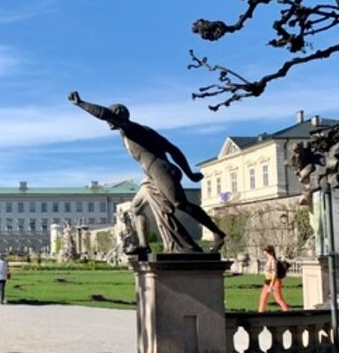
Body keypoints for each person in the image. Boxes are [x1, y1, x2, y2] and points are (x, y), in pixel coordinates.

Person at [68, 91, 226, 254]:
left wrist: (81, 104)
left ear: (119, 116)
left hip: (160, 169)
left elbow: (104, 114)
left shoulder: (132, 129)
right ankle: (144, 246)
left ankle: (217, 233)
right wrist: (189, 174)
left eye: (111, 117)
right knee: (136, 208)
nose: (108, 122)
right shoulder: (135, 132)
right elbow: (174, 150)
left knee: (179, 204)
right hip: (151, 175)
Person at [258, 245, 290, 312]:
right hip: (267, 282)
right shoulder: (269, 260)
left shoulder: (273, 260)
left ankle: (287, 313)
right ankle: (260, 313)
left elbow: (274, 273)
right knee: (263, 298)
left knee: (279, 299)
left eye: (266, 252)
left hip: (274, 282)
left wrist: (272, 285)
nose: (265, 253)